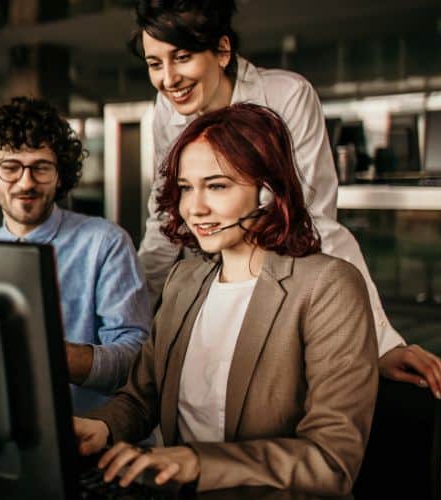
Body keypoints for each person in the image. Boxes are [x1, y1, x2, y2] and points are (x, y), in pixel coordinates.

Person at [130, 0, 441, 399]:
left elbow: (315, 223)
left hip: (283, 284)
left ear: (223, 51)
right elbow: (164, 223)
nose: (168, 79)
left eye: (182, 57)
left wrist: (383, 344)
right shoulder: (165, 111)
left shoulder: (286, 94)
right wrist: (134, 315)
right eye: (154, 63)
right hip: (212, 281)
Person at [75, 103, 378, 495]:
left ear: (268, 193)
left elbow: (331, 460)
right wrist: (101, 426)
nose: (194, 208)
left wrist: (199, 462)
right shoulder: (185, 278)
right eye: (186, 188)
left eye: (217, 186)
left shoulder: (327, 287)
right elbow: (141, 396)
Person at [0, 96, 151, 413]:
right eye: (10, 167)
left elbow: (135, 362)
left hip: (89, 441)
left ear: (60, 175)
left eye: (41, 167)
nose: (26, 182)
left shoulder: (105, 243)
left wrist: (49, 354)